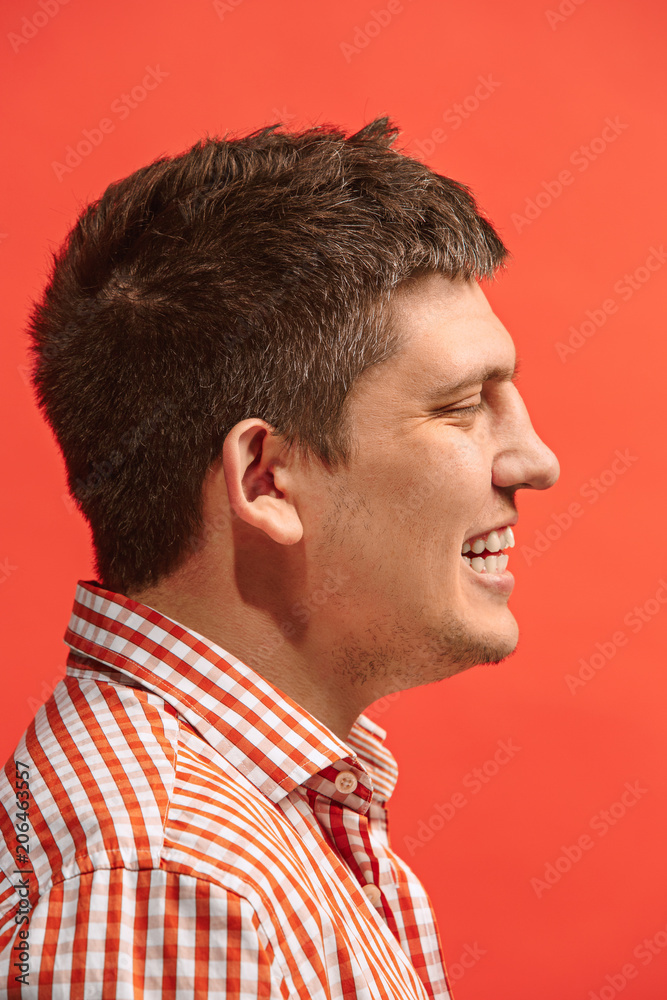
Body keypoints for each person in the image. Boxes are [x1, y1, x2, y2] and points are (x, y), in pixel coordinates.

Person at [0, 117, 559, 998]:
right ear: (265, 480)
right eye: (459, 406)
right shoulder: (170, 880)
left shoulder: (259, 817)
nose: (536, 460)